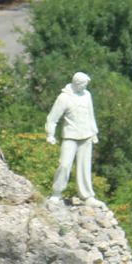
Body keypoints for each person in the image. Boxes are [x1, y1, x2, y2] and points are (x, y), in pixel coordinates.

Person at [45, 71, 100, 204]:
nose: (85, 87)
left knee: (85, 167)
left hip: (86, 135)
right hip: (70, 136)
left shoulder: (87, 95)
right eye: (84, 84)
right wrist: (50, 134)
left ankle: (87, 195)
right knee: (64, 164)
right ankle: (56, 192)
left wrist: (94, 132)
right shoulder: (64, 98)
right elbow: (52, 118)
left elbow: (90, 115)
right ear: (77, 83)